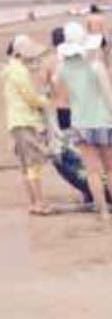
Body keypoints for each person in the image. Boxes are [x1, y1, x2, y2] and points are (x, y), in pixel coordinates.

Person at [58, 20, 112, 221]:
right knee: (111, 167)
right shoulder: (96, 66)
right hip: (104, 120)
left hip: (81, 122)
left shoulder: (63, 69)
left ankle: (103, 211)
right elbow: (108, 95)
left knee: (92, 171)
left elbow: (64, 98)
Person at [3, 33, 50, 215]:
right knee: (34, 164)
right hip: (25, 121)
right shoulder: (19, 72)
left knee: (26, 166)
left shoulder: (9, 70)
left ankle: (34, 202)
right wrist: (45, 100)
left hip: (15, 121)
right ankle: (39, 203)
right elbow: (31, 98)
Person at [43, 27, 72, 133]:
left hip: (61, 105)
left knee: (66, 136)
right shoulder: (75, 57)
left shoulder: (49, 61)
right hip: (79, 104)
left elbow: (44, 85)